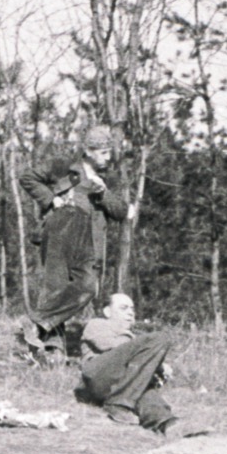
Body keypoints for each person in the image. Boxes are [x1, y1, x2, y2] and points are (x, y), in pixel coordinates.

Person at [18, 123, 133, 354]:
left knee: (88, 287)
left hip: (90, 239)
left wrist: (104, 194)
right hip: (60, 230)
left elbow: (121, 211)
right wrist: (51, 200)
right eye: (103, 152)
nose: (107, 158)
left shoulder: (109, 177)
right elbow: (28, 177)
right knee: (55, 287)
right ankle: (52, 348)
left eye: (109, 152)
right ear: (89, 151)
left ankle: (37, 322)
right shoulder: (63, 166)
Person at [76, 292, 177, 432]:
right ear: (107, 311)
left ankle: (167, 425)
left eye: (132, 309)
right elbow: (110, 345)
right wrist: (158, 365)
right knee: (160, 338)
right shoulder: (97, 324)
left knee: (146, 393)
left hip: (120, 385)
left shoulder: (133, 340)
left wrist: (154, 366)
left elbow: (135, 359)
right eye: (124, 308)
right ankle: (118, 404)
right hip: (97, 378)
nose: (130, 313)